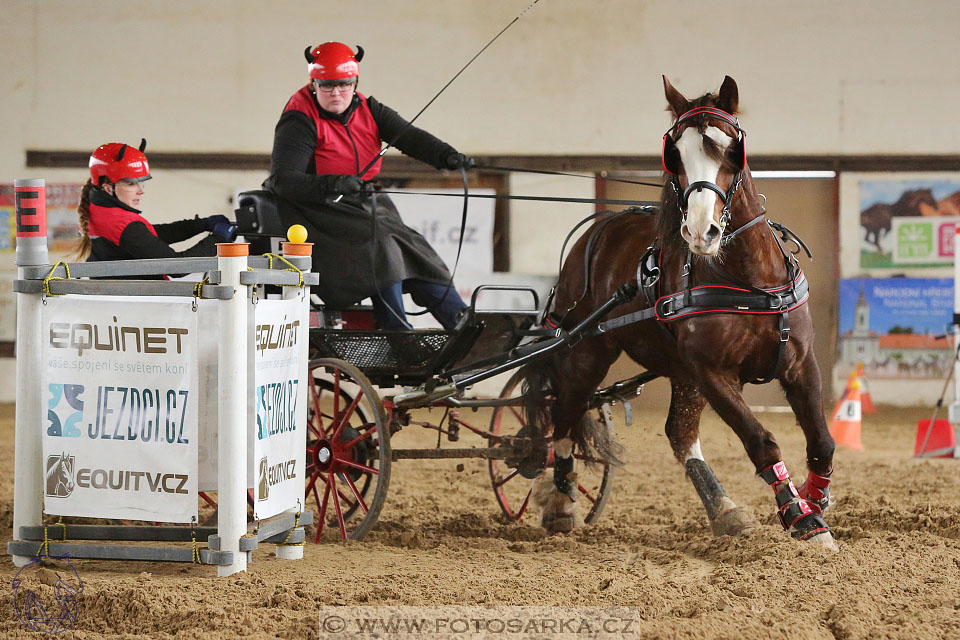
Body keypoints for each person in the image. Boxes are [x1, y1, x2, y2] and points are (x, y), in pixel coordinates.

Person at [264, 41, 472, 330]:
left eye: (344, 85)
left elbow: (410, 137)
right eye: (326, 86)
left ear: (355, 81)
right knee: (381, 242)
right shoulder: (299, 119)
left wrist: (446, 155)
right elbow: (283, 182)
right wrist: (335, 183)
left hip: (361, 200)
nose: (336, 93)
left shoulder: (370, 109)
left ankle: (461, 321)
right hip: (315, 209)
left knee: (414, 245)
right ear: (313, 84)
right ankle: (396, 329)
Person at [74, 140, 237, 271]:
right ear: (108, 188)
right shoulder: (122, 225)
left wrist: (200, 225)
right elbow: (178, 267)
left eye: (141, 183)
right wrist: (218, 240)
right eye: (131, 184)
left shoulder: (99, 211)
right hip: (139, 306)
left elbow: (150, 237)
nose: (141, 191)